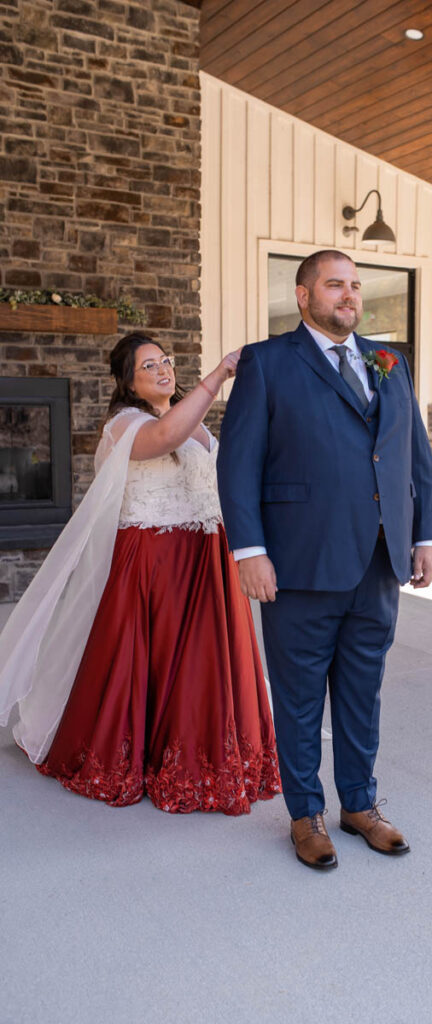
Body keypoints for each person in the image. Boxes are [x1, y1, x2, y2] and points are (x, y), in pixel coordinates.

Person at [217, 250, 432, 870]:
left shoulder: (390, 360)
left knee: (362, 691)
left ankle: (360, 805)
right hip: (298, 561)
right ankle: (305, 814)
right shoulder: (267, 363)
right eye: (334, 284)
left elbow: (412, 455)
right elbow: (236, 464)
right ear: (303, 295)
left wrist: (424, 535)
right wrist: (250, 551)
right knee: (296, 697)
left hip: (378, 559)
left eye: (354, 285)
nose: (348, 295)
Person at [0, 333, 280, 815]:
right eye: (148, 365)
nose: (163, 369)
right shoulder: (124, 424)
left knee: (206, 661)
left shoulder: (197, 425)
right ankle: (158, 759)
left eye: (166, 361)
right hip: (156, 562)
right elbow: (165, 437)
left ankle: (214, 756)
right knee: (165, 661)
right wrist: (218, 375)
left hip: (205, 556)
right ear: (127, 382)